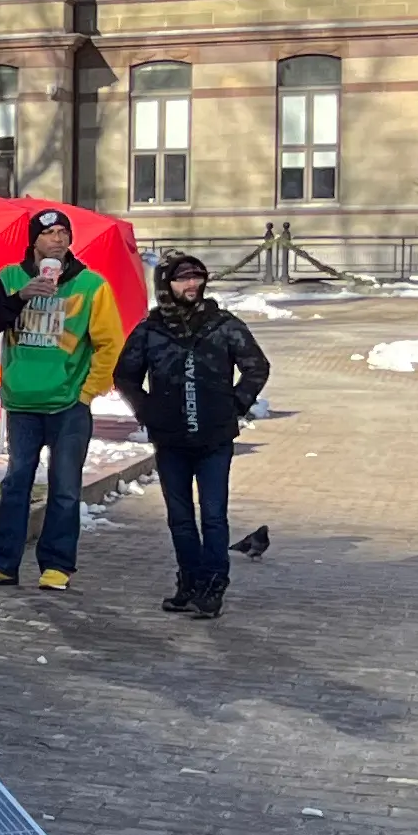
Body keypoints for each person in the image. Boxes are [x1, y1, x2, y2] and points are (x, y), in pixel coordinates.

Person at [0, 208, 124, 592]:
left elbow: (110, 344)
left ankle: (57, 566)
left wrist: (87, 392)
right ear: (34, 240)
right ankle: (3, 563)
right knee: (16, 484)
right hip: (22, 403)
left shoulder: (90, 285)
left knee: (65, 487)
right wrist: (20, 297)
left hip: (68, 403)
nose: (58, 239)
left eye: (64, 233)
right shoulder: (9, 278)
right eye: (49, 232)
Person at [113, 253, 270, 619]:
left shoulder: (223, 325)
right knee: (180, 517)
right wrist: (147, 410)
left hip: (215, 438)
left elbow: (256, 366)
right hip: (171, 440)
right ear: (167, 284)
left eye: (197, 278)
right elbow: (125, 375)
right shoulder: (151, 330)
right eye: (183, 278)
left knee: (214, 516)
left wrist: (235, 404)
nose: (192, 285)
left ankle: (214, 584)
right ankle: (190, 582)